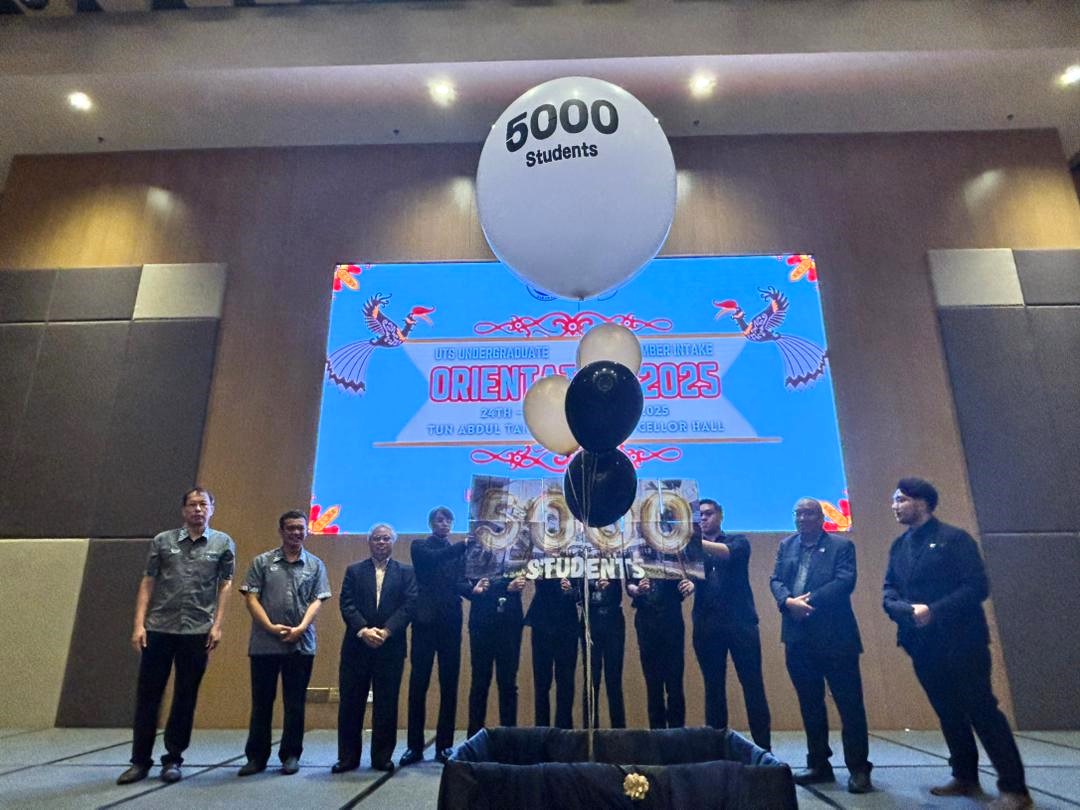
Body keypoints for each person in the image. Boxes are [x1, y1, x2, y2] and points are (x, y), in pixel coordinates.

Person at [883, 478, 1031, 810]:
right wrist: (899, 608)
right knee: (948, 712)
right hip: (921, 644)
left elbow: (976, 587)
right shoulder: (900, 545)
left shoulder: (954, 539)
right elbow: (889, 587)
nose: (895, 506)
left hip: (962, 641)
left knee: (982, 711)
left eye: (901, 500)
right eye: (894, 500)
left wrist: (933, 611)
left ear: (922, 502)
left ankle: (1015, 789)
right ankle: (964, 776)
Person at [117, 487, 235, 785]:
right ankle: (139, 761)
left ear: (212, 509)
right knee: (148, 696)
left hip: (197, 630)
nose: (198, 510)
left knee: (185, 696)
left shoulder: (223, 543)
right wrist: (139, 625)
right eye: (192, 505)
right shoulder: (163, 541)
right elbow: (148, 582)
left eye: (203, 504)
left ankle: (173, 759)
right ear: (184, 510)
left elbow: (225, 585)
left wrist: (217, 625)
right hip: (159, 627)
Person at [769, 498, 873, 793]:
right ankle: (818, 764)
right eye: (798, 513)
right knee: (810, 704)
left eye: (809, 513)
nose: (803, 518)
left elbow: (845, 582)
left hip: (836, 638)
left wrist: (808, 602)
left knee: (849, 705)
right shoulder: (786, 545)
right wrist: (787, 601)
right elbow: (776, 580)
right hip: (798, 638)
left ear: (822, 517)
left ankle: (859, 768)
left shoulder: (841, 546)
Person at [237, 510, 331, 777]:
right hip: (264, 644)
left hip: (300, 645)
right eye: (291, 528)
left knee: (295, 703)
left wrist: (301, 628)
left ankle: (291, 755)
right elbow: (251, 598)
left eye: (301, 528)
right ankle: (256, 757)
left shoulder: (315, 565)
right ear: (281, 531)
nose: (296, 532)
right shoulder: (262, 562)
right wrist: (269, 627)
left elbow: (318, 600)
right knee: (262, 703)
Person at [334, 523, 417, 773]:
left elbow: (409, 605)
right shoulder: (354, 571)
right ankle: (348, 758)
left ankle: (382, 757)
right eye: (377, 539)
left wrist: (387, 631)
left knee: (386, 704)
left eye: (386, 538)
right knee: (351, 704)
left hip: (390, 647)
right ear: (369, 542)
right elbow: (347, 604)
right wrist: (363, 630)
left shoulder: (406, 572)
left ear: (393, 542)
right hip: (357, 647)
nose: (381, 542)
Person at [691, 498, 771, 749]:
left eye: (708, 513)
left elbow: (728, 554)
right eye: (700, 515)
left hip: (741, 625)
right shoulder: (691, 551)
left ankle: (764, 750)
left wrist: (693, 541)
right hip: (706, 627)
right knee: (713, 689)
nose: (704, 518)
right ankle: (717, 750)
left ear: (721, 515)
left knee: (753, 686)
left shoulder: (738, 541)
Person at [401, 506, 471, 766]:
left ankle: (444, 746)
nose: (445, 524)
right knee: (418, 684)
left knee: (449, 685)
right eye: (440, 520)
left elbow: (460, 584)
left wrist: (477, 591)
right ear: (431, 523)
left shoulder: (456, 552)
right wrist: (463, 546)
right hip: (424, 624)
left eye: (448, 520)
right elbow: (432, 561)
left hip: (451, 623)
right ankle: (414, 747)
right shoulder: (420, 547)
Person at [627, 574, 695, 729]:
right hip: (645, 619)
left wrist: (691, 584)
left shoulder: (673, 555)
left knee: (675, 683)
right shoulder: (633, 557)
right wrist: (637, 589)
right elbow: (629, 584)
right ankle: (657, 736)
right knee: (653, 685)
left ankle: (677, 735)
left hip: (671, 617)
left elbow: (691, 571)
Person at [466, 573, 527, 736]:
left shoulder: (518, 555)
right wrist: (504, 587)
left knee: (508, 683)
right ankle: (474, 740)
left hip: (510, 622)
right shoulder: (474, 556)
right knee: (479, 682)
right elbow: (463, 583)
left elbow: (529, 571)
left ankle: (509, 741)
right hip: (481, 621)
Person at [526, 576, 579, 728]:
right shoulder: (539, 559)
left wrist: (571, 590)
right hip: (542, 621)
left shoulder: (576, 561)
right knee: (541, 682)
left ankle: (564, 732)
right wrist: (534, 573)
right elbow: (524, 570)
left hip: (567, 623)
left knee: (566, 681)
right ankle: (542, 731)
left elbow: (582, 591)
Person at [579, 577, 626, 729]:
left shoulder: (617, 560)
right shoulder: (581, 562)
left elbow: (627, 580)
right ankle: (589, 732)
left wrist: (610, 584)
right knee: (591, 680)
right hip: (590, 619)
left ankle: (619, 733)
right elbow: (576, 592)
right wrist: (593, 585)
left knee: (614, 680)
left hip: (614, 618)